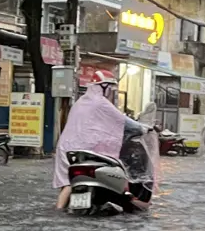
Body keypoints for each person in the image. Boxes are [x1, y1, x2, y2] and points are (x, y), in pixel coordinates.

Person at [53, 77, 146, 208]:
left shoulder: (81, 101)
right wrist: (142, 128)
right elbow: (121, 120)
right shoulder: (100, 102)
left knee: (67, 183)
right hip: (84, 148)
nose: (110, 91)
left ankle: (60, 208)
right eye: (109, 87)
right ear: (103, 87)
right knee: (70, 183)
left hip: (66, 148)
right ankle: (61, 208)